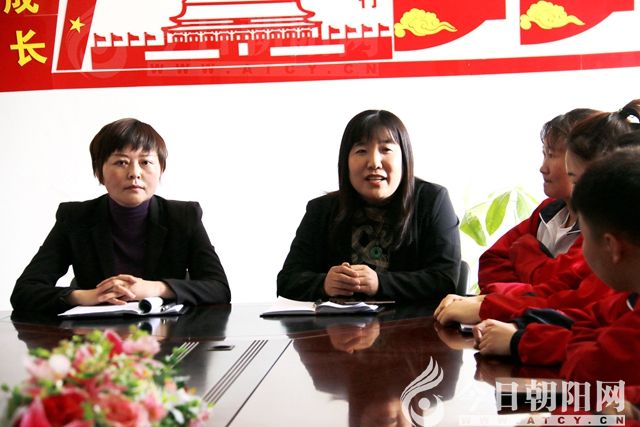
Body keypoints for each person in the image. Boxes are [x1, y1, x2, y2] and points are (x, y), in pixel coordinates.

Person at [435, 101, 640, 326]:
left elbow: (563, 297)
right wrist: (503, 299)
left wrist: (524, 249)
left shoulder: (598, 230)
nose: (543, 167)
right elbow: (493, 262)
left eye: (551, 155)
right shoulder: (547, 211)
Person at [11, 118, 230, 314]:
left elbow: (219, 288)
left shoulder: (183, 216)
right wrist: (87, 296)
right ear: (100, 172)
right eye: (121, 162)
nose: (134, 173)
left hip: (167, 336)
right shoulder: (75, 218)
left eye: (145, 162)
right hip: (96, 338)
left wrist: (156, 288)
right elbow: (24, 291)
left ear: (161, 169)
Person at [277, 110, 461, 301]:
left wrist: (380, 283)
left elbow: (445, 279)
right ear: (345, 162)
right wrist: (324, 284)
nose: (374, 162)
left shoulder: (432, 201)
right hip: (338, 321)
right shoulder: (321, 210)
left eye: (386, 150)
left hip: (412, 320)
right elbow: (287, 280)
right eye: (361, 151)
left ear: (405, 159)